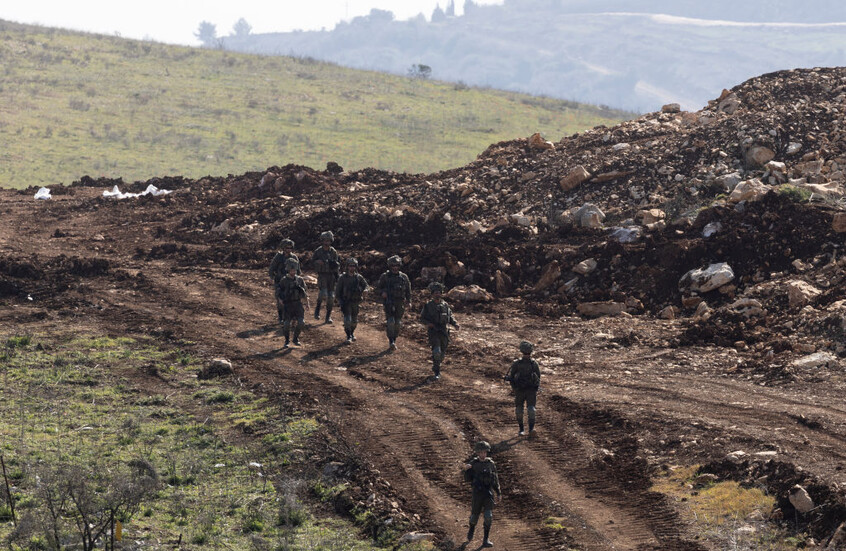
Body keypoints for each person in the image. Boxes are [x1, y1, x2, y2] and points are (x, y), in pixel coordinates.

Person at [463, 441, 500, 548]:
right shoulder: (473, 464)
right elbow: (466, 479)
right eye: (481, 453)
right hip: (477, 494)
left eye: (485, 452)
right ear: (478, 453)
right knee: (474, 517)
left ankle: (485, 539)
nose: (483, 455)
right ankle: (471, 529)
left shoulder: (490, 464)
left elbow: (495, 479)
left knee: (488, 516)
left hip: (488, 494)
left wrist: (498, 493)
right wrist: (467, 470)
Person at [420, 281, 459, 380]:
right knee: (436, 351)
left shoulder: (445, 305)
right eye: (435, 292)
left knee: (442, 353)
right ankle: (437, 371)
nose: (437, 294)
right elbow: (422, 318)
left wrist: (455, 324)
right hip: (434, 332)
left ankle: (436, 365)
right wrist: (428, 324)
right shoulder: (428, 306)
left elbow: (450, 316)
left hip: (444, 332)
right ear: (432, 294)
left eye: (439, 292)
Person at [504, 341, 541, 436]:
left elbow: (511, 377)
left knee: (520, 410)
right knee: (531, 410)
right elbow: (538, 378)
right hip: (530, 391)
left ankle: (521, 430)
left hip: (520, 390)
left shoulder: (516, 363)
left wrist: (514, 388)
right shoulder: (534, 364)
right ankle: (531, 429)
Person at [376, 255, 411, 350]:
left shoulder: (404, 277)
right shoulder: (385, 276)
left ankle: (394, 338)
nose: (395, 268)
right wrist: (382, 293)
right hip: (389, 301)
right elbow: (378, 288)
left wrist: (409, 301)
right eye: (393, 266)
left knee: (398, 323)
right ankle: (391, 341)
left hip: (400, 302)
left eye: (397, 265)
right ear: (390, 266)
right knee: (391, 321)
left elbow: (408, 290)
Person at [334, 257, 369, 343]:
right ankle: (348, 336)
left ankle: (352, 333)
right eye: (350, 266)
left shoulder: (358, 277)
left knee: (354, 321)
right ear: (347, 267)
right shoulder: (343, 277)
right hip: (346, 302)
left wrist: (366, 290)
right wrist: (339, 300)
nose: (352, 268)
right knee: (347, 320)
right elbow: (338, 290)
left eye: (353, 266)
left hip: (356, 301)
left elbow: (366, 285)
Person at [276, 258, 309, 348]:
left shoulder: (300, 280)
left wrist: (307, 304)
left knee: (301, 322)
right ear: (288, 270)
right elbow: (278, 292)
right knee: (286, 324)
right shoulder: (284, 280)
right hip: (288, 305)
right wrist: (280, 300)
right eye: (291, 270)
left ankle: (295, 338)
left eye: (294, 270)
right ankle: (287, 340)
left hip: (298, 304)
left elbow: (305, 292)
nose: (293, 272)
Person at [268, 238, 300, 323]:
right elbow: (272, 268)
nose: (289, 250)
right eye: (287, 248)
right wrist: (271, 277)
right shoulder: (278, 257)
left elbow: (298, 271)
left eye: (290, 248)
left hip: (290, 281)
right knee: (280, 300)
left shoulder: (294, 257)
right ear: (283, 248)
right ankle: (280, 317)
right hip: (280, 281)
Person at [312, 231, 340, 324]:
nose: (327, 242)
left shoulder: (333, 252)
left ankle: (328, 316)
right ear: (322, 240)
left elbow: (337, 266)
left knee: (331, 297)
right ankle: (317, 309)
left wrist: (337, 276)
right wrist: (317, 262)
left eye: (328, 240)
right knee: (323, 293)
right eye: (325, 240)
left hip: (331, 276)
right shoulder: (318, 251)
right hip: (322, 275)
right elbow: (311, 262)